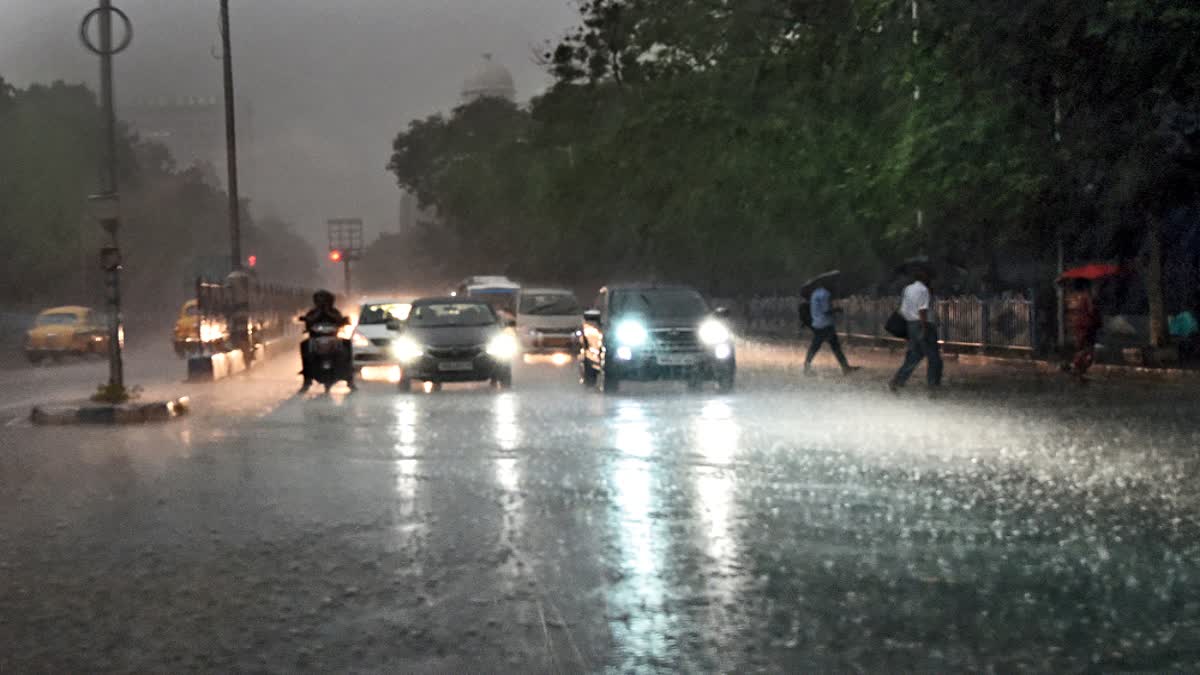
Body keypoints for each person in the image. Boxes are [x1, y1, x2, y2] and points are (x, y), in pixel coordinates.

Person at [889, 268, 943, 392]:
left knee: (915, 355)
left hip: (911, 324)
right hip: (923, 324)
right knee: (934, 357)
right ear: (925, 278)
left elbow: (903, 308)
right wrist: (924, 328)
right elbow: (922, 310)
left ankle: (897, 380)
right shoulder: (923, 290)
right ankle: (933, 384)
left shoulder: (908, 288)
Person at [298, 290, 356, 393]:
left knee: (347, 344)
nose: (322, 302)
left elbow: (339, 319)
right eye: (320, 300)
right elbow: (308, 320)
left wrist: (336, 317)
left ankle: (350, 379)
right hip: (315, 338)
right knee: (304, 345)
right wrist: (315, 314)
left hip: (333, 338)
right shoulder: (313, 312)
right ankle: (306, 380)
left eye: (325, 300)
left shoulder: (334, 311)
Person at [804, 283, 859, 375]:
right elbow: (826, 310)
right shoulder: (825, 293)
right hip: (825, 324)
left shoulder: (815, 293)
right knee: (833, 347)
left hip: (817, 323)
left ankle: (807, 365)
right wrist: (837, 309)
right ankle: (845, 367)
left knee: (817, 346)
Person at [1063, 279, 1101, 382]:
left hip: (1074, 324)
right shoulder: (1086, 296)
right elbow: (1091, 310)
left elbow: (1068, 309)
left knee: (1080, 347)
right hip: (1086, 325)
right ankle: (1076, 367)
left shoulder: (1071, 297)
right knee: (1087, 349)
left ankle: (1078, 371)